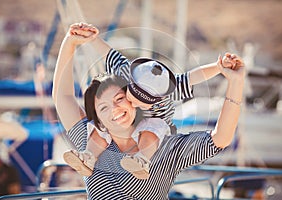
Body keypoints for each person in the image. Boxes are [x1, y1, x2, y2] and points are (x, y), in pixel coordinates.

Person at [52, 23, 245, 199]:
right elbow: (63, 96)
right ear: (98, 118)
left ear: (130, 102)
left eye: (119, 99)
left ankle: (140, 161)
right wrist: (71, 41)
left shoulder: (166, 149)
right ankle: (87, 160)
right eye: (103, 107)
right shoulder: (90, 137)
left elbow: (221, 138)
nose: (115, 109)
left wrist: (235, 81)